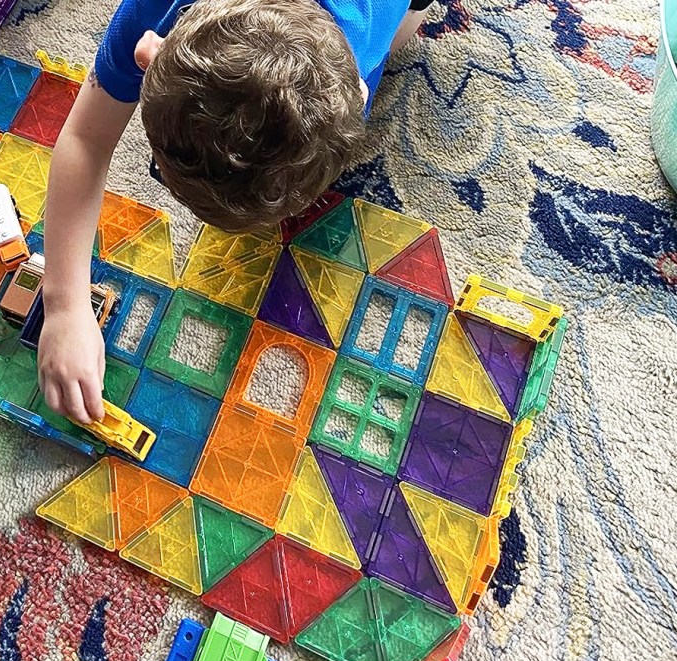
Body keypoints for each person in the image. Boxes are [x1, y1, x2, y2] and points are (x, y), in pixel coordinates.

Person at [38, 0, 432, 424]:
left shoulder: (360, 53)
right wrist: (64, 304)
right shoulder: (154, 11)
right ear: (148, 52)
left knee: (404, 32)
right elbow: (84, 139)